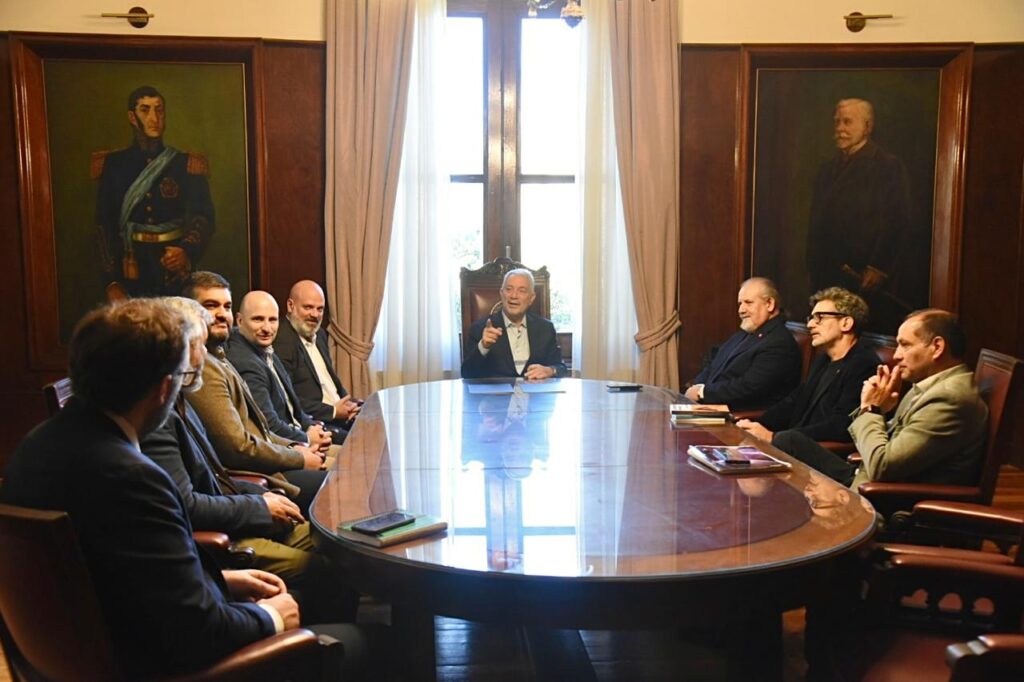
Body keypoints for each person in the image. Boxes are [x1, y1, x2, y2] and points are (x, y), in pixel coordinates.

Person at [0, 299, 296, 677]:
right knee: (354, 641)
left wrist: (220, 581)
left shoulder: (32, 448)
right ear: (162, 389)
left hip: (75, 661)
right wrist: (272, 617)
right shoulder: (133, 478)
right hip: (155, 667)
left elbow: (112, 577)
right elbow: (199, 634)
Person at [141, 296, 357, 624]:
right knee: (330, 566)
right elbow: (188, 503)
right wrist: (259, 504)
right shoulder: (157, 418)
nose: (204, 356)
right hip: (225, 535)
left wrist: (261, 496)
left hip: (240, 507)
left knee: (340, 542)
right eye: (198, 344)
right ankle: (321, 648)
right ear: (177, 352)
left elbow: (214, 477)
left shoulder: (179, 398)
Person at [784, 309, 987, 488]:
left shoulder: (949, 398)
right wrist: (880, 410)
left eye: (905, 345)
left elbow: (882, 465)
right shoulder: (931, 385)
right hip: (867, 477)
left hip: (890, 498)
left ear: (937, 347)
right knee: (790, 440)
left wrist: (870, 409)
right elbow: (888, 443)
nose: (897, 355)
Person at [182, 271, 327, 515]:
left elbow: (258, 428)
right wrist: (298, 456)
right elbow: (238, 447)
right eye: (210, 305)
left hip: (273, 462)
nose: (220, 314)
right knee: (341, 483)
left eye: (226, 306)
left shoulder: (220, 357)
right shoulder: (203, 367)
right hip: (259, 476)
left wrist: (295, 445)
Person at [93, 85, 214, 300]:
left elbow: (203, 216)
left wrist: (186, 251)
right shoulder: (114, 165)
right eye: (145, 110)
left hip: (173, 269)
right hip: (130, 268)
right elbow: (104, 226)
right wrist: (111, 281)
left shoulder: (184, 163)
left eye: (159, 110)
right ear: (132, 117)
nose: (154, 117)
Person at [806, 98, 914, 331]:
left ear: (867, 126)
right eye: (837, 122)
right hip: (827, 271)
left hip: (860, 276)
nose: (840, 129)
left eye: (847, 122)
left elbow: (897, 221)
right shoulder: (827, 169)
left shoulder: (887, 166)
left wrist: (878, 266)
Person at [737, 287, 878, 451]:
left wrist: (776, 438)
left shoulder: (863, 365)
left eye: (820, 318)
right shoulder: (824, 359)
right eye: (811, 318)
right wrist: (758, 425)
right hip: (793, 445)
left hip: (821, 455)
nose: (810, 324)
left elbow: (841, 427)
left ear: (846, 323)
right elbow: (795, 401)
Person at [226, 290, 339, 449]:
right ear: (239, 320)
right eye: (258, 319)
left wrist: (314, 427)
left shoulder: (264, 349)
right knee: (351, 463)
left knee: (358, 456)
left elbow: (294, 408)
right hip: (285, 448)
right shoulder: (245, 361)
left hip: (299, 438)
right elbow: (269, 425)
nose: (267, 328)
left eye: (272, 320)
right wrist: (307, 437)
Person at [684, 277, 802, 410]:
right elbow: (714, 365)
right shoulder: (745, 333)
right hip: (710, 405)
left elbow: (749, 387)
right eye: (740, 303)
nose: (741, 310)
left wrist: (702, 392)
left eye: (748, 302)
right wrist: (697, 386)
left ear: (769, 304)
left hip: (739, 417)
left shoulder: (779, 343)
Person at [274, 280, 360, 437]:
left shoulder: (320, 334)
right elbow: (287, 400)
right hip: (317, 423)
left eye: (320, 309)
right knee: (363, 441)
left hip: (341, 415)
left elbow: (330, 380)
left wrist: (349, 404)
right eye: (308, 307)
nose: (315, 315)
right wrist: (333, 412)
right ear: (290, 306)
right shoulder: (281, 342)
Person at [461, 268, 567, 380]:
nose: (514, 296)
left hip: (535, 396)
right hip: (495, 397)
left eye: (522, 290)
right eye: (509, 289)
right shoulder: (480, 328)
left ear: (531, 298)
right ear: (501, 294)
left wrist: (549, 370)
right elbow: (467, 374)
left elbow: (561, 368)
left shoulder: (545, 328)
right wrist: (483, 346)